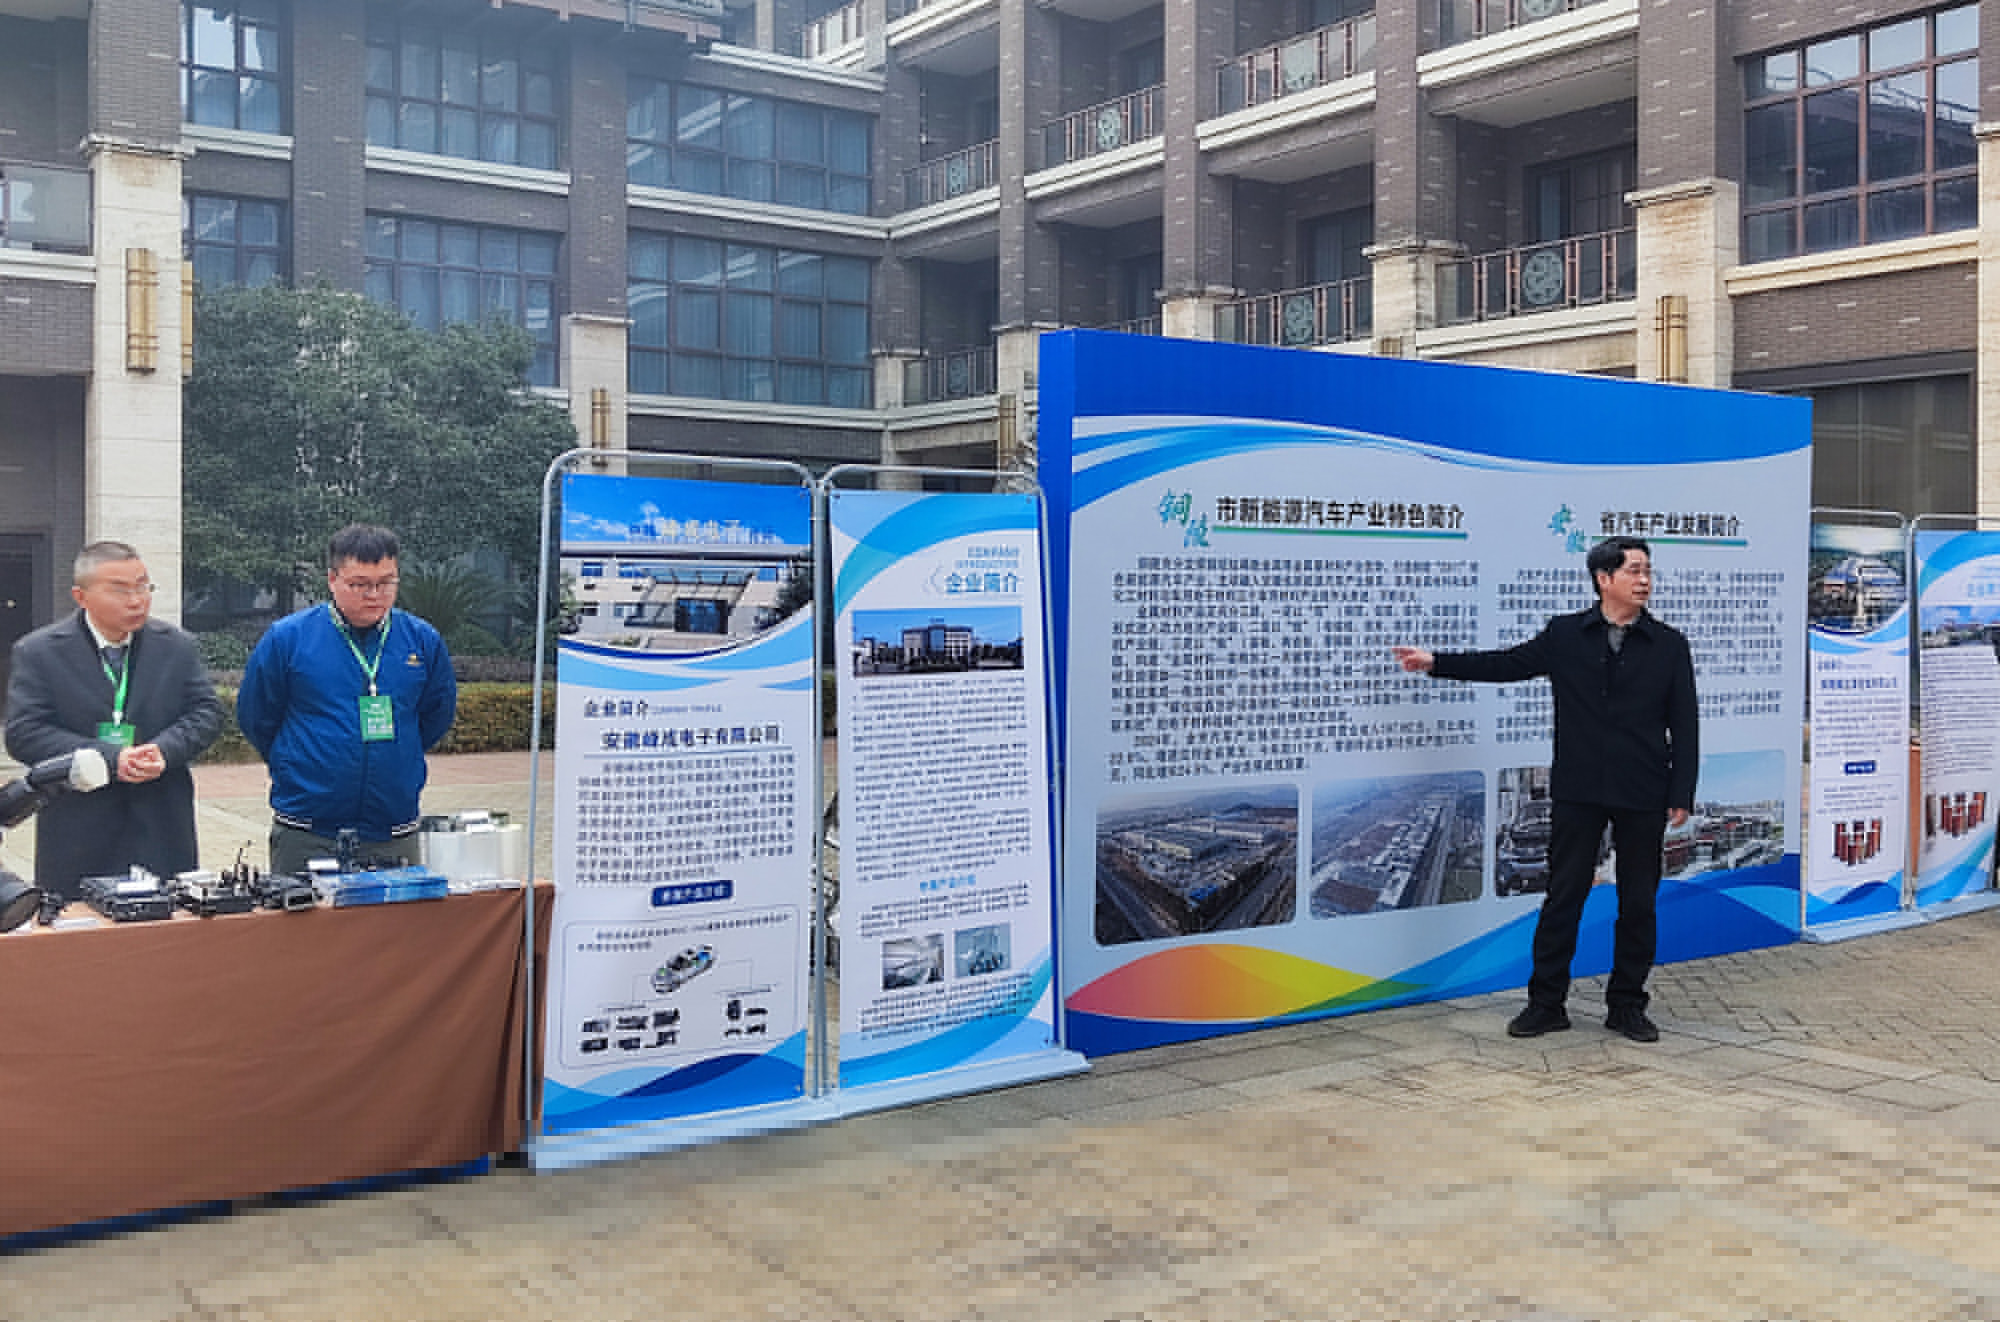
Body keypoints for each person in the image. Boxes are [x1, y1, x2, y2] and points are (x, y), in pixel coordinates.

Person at [1392, 535, 1698, 1044]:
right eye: (1634, 571)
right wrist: (1436, 661)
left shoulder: (1669, 644)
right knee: (1563, 897)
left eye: (1648, 571)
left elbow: (1685, 724)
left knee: (1639, 904)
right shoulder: (1565, 635)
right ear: (1604, 579)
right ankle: (1546, 1003)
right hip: (1579, 788)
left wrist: (1681, 792)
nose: (1645, 580)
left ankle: (1627, 1006)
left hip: (1643, 790)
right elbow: (1505, 665)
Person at [3, 541, 223, 901]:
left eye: (143, 586)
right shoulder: (40, 652)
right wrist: (109, 757)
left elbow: (206, 713)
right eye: (120, 590)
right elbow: (25, 734)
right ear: (81, 596)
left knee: (165, 929)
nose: (136, 600)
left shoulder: (176, 646)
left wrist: (164, 751)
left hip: (161, 825)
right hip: (78, 830)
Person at [237, 525, 457, 876]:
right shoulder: (288, 639)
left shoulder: (421, 640)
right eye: (360, 584)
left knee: (397, 915)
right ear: (332, 579)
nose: (374, 595)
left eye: (386, 583)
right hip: (308, 829)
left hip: (392, 828)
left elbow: (435, 716)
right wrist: (296, 762)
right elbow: (257, 717)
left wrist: (397, 754)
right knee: (305, 913)